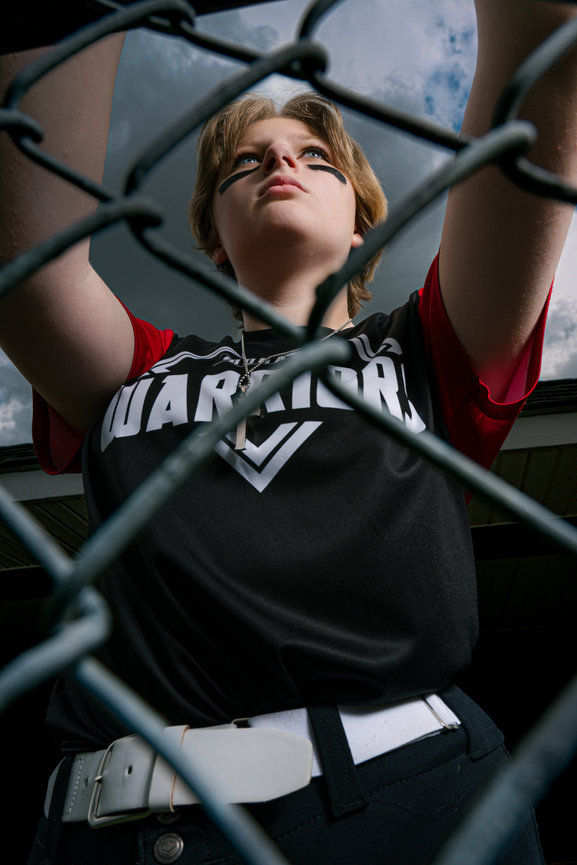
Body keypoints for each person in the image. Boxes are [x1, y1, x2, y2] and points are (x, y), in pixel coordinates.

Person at [0, 1, 576, 863]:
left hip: (402, 802)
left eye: (315, 158)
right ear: (214, 239)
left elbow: (545, 53)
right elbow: (28, 262)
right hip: (109, 823)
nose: (279, 158)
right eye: (244, 161)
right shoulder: (139, 363)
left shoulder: (428, 344)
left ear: (359, 222)